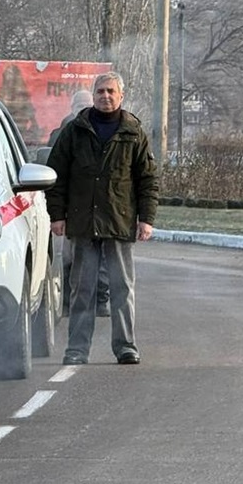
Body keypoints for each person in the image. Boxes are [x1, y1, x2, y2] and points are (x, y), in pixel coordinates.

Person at [45, 71, 158, 366]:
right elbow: (56, 176)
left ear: (121, 96)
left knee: (122, 288)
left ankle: (126, 347)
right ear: (93, 96)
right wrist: (57, 216)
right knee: (82, 290)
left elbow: (147, 179)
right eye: (100, 92)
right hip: (82, 223)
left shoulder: (133, 132)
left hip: (119, 222)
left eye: (111, 91)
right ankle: (77, 350)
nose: (105, 96)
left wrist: (146, 218)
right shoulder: (75, 130)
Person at [49, 90, 110, 317]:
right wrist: (57, 210)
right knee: (69, 256)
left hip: (102, 207)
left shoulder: (104, 131)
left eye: (87, 104)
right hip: (71, 207)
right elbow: (53, 172)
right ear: (72, 106)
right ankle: (67, 300)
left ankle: (101, 300)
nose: (83, 108)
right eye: (79, 104)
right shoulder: (60, 134)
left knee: (102, 256)